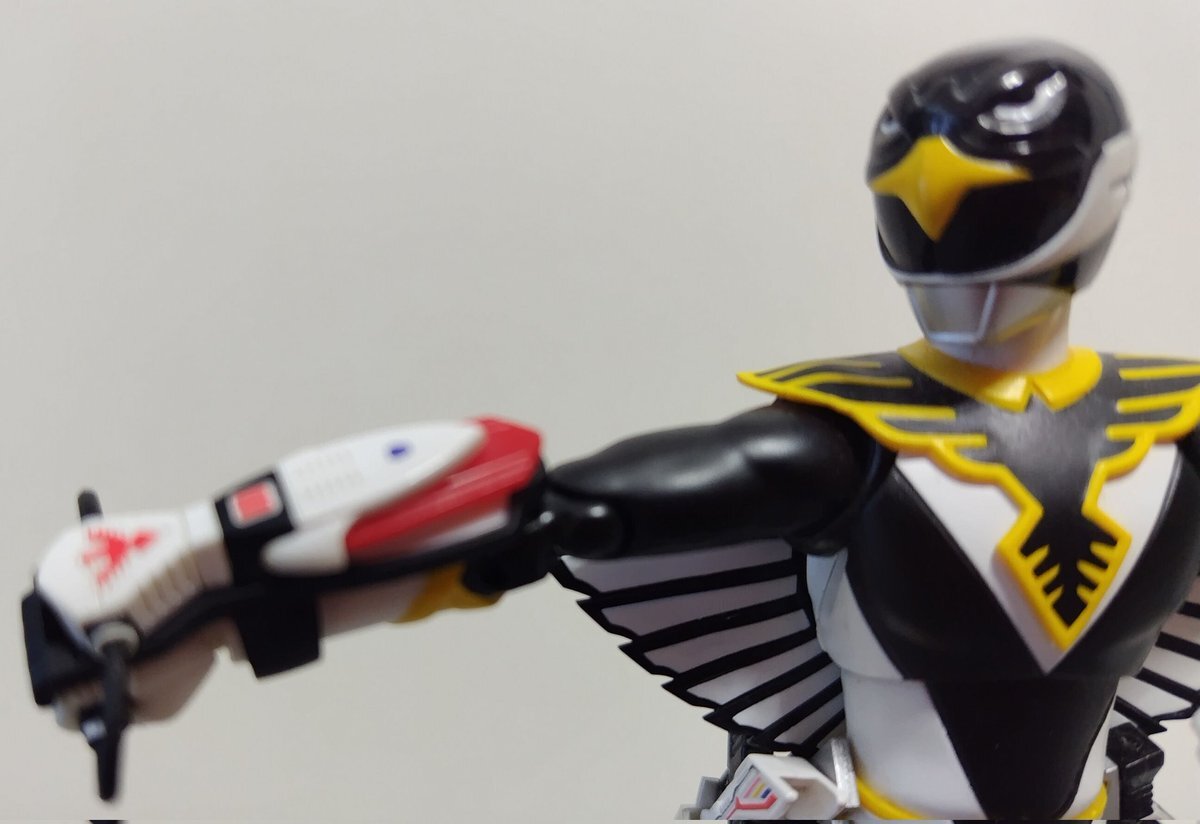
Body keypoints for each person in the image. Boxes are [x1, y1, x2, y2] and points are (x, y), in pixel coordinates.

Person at [24, 40, 1200, 820]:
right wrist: (205, 573)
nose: (947, 236)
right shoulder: (853, 441)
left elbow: (536, 515)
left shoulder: (1169, 428)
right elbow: (528, 514)